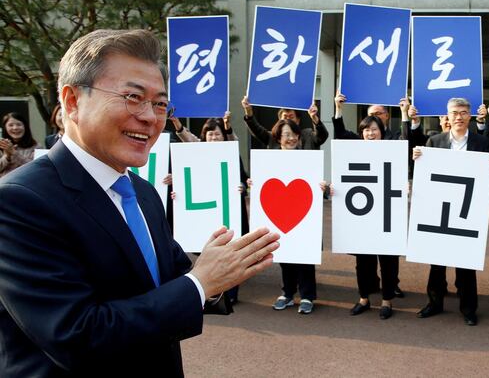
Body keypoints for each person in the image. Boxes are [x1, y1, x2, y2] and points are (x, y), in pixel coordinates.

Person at [0, 29, 280, 376]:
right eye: (133, 97)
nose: (150, 117)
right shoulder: (18, 201)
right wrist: (201, 283)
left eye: (160, 103)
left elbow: (173, 280)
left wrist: (217, 275)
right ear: (72, 102)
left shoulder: (143, 192)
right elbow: (77, 335)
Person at [413, 97, 489, 326]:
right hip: (440, 207)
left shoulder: (482, 143)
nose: (458, 117)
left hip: (468, 209)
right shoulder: (434, 141)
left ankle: (469, 309)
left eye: (463, 112)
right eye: (454, 113)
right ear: (447, 116)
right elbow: (423, 173)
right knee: (437, 262)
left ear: (469, 116)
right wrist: (417, 159)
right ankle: (434, 302)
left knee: (466, 263)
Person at [331, 96, 401, 319]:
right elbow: (340, 134)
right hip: (362, 214)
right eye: (366, 130)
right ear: (361, 133)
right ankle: (363, 298)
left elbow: (408, 139)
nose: (371, 134)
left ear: (382, 130)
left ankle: (387, 301)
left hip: (387, 212)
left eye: (374, 129)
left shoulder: (393, 149)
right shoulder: (355, 148)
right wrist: (338, 108)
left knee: (388, 260)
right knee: (363, 261)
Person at [170, 113, 250, 304]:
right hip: (206, 212)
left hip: (229, 210)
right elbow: (188, 140)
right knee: (210, 251)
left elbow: (243, 177)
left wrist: (242, 187)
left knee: (230, 249)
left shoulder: (231, 152)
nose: (214, 138)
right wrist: (179, 190)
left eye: (217, 134)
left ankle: (231, 293)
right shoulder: (199, 152)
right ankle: (212, 290)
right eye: (210, 134)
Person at [269, 119, 318, 315]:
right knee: (285, 254)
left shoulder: (309, 158)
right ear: (278, 138)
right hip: (280, 212)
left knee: (305, 255)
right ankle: (287, 293)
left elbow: (314, 184)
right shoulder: (270, 160)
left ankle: (307, 296)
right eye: (285, 135)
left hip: (304, 213)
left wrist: (321, 186)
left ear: (298, 136)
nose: (289, 138)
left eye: (292, 134)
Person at [241, 95, 328, 149]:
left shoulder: (308, 135)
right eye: (285, 117)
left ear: (298, 120)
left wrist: (314, 117)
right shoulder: (273, 137)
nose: (288, 120)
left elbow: (322, 136)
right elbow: (256, 130)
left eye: (291, 117)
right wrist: (248, 112)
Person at [0, 112, 39, 178]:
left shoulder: (36, 146)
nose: (15, 128)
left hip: (25, 185)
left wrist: (14, 153)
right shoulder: (1, 145)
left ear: (25, 127)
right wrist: (7, 156)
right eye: (11, 125)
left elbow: (34, 168)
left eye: (19, 124)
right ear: (5, 128)